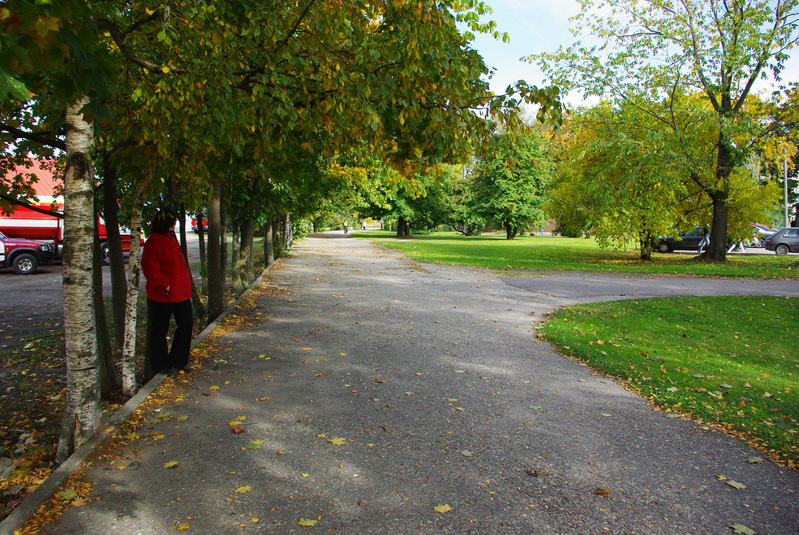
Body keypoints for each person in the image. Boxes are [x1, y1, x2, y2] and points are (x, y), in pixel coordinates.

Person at [141, 209, 193, 374]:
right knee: (159, 331)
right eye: (173, 221)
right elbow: (150, 269)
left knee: (186, 324)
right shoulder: (154, 241)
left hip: (181, 295)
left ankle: (178, 360)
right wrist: (166, 285)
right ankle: (161, 365)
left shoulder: (172, 239)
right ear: (168, 223)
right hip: (162, 296)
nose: (175, 223)